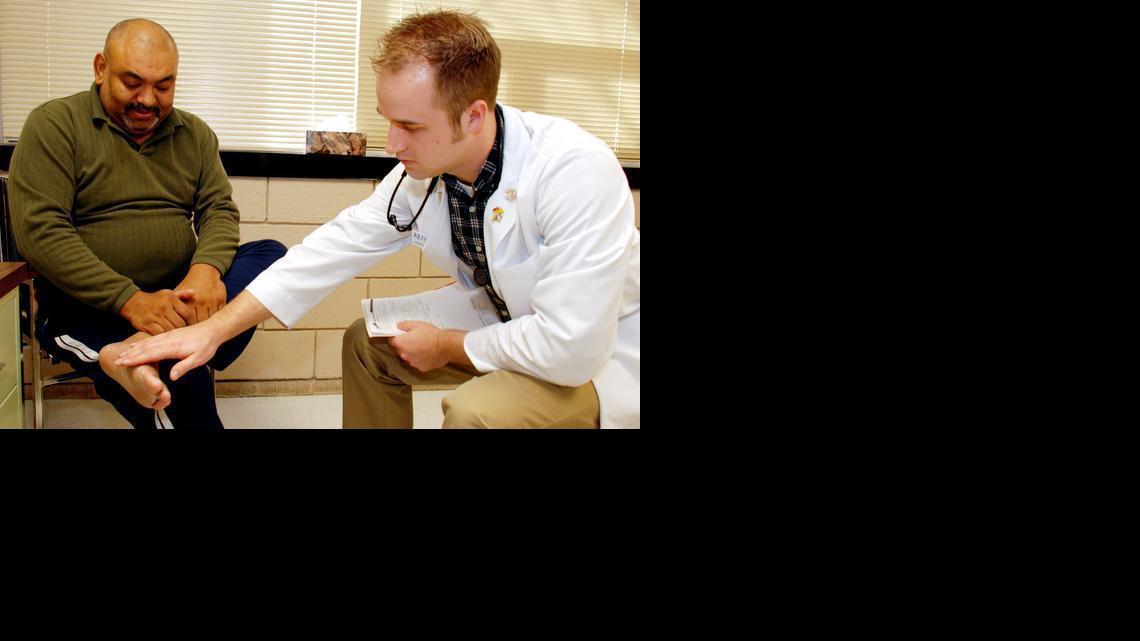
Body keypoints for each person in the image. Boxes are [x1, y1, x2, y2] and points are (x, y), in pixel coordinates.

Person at [117, 10, 640, 428]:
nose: (392, 144)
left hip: (596, 355)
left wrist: (448, 346)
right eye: (388, 121)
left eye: (410, 126)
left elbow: (569, 346)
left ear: (474, 115)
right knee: (365, 344)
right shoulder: (424, 173)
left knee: (477, 412)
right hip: (504, 319)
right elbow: (327, 251)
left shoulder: (573, 170)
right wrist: (213, 330)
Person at [8, 18, 286, 429]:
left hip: (175, 297)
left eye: (163, 86)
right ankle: (156, 346)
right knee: (180, 380)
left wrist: (205, 271)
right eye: (132, 83)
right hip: (88, 308)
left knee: (272, 256)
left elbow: (218, 210)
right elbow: (40, 232)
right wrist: (131, 301)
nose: (148, 99)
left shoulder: (194, 134)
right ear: (100, 68)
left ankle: (152, 342)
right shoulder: (55, 125)